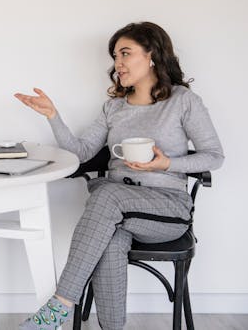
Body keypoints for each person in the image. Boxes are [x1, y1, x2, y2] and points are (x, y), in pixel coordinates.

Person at [14, 22, 224, 330]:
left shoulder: (183, 101)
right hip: (114, 211)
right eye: (115, 56)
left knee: (106, 194)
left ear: (152, 55)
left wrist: (166, 165)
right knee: (110, 239)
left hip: (165, 209)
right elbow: (82, 153)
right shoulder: (114, 107)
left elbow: (215, 156)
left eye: (126, 53)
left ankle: (59, 306)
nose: (118, 63)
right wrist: (52, 116)